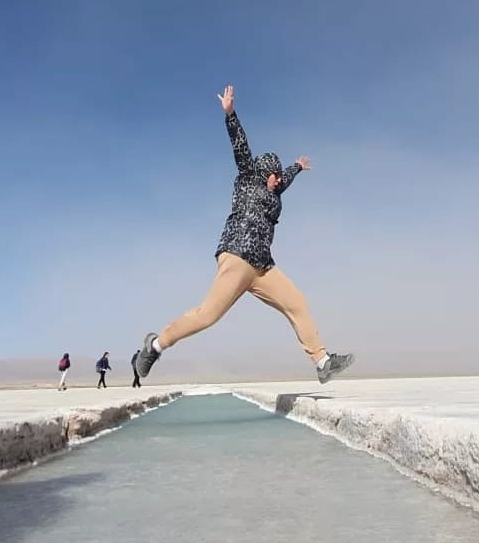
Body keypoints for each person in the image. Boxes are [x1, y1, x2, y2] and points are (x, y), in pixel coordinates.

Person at [134, 84, 354, 385]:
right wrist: (230, 114)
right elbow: (240, 145)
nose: (279, 182)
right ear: (266, 173)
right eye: (276, 177)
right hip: (237, 255)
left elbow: (284, 179)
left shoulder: (276, 188)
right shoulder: (249, 177)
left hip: (264, 266)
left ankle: (322, 362)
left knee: (297, 303)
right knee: (207, 316)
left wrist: (298, 168)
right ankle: (156, 346)